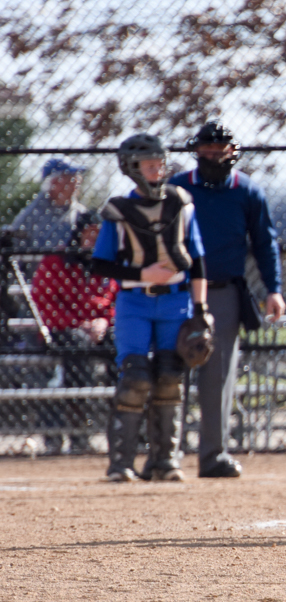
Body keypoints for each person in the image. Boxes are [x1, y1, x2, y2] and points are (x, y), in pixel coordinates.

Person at [88, 134, 210, 482]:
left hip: (175, 301)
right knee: (136, 378)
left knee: (171, 375)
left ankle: (165, 462)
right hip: (134, 303)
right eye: (149, 163)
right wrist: (143, 273)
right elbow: (101, 264)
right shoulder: (118, 211)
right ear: (131, 168)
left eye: (160, 162)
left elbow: (198, 260)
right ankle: (121, 464)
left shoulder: (182, 204)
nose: (158, 168)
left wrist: (201, 309)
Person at [169, 120, 285, 478]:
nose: (215, 155)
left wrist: (273, 289)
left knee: (218, 376)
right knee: (168, 373)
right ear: (196, 150)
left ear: (233, 152)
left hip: (224, 291)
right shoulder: (177, 188)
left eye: (221, 149)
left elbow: (264, 243)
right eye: (208, 149)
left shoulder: (247, 191)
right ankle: (164, 455)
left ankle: (213, 455)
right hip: (176, 290)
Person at [29, 212, 117, 453]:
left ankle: (124, 431)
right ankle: (79, 433)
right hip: (64, 329)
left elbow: (118, 301)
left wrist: (104, 322)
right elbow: (44, 303)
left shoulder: (110, 261)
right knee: (78, 349)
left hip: (100, 327)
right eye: (90, 233)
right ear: (79, 234)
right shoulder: (57, 261)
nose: (95, 240)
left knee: (124, 346)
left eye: (100, 235)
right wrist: (78, 324)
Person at [8, 158, 88, 256]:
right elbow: (14, 249)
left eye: (77, 177)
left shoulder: (81, 212)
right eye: (70, 178)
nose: (76, 182)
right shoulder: (31, 214)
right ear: (54, 183)